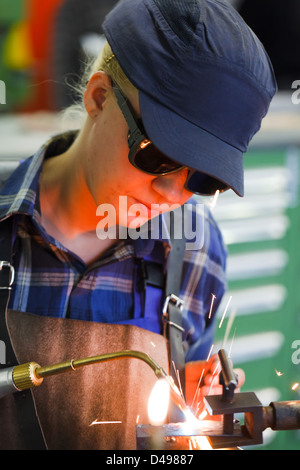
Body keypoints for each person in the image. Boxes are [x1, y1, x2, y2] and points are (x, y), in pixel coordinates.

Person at [0, 0, 276, 447]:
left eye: (204, 178)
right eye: (157, 156)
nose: (172, 195)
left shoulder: (197, 250)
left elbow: (180, 420)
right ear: (99, 98)